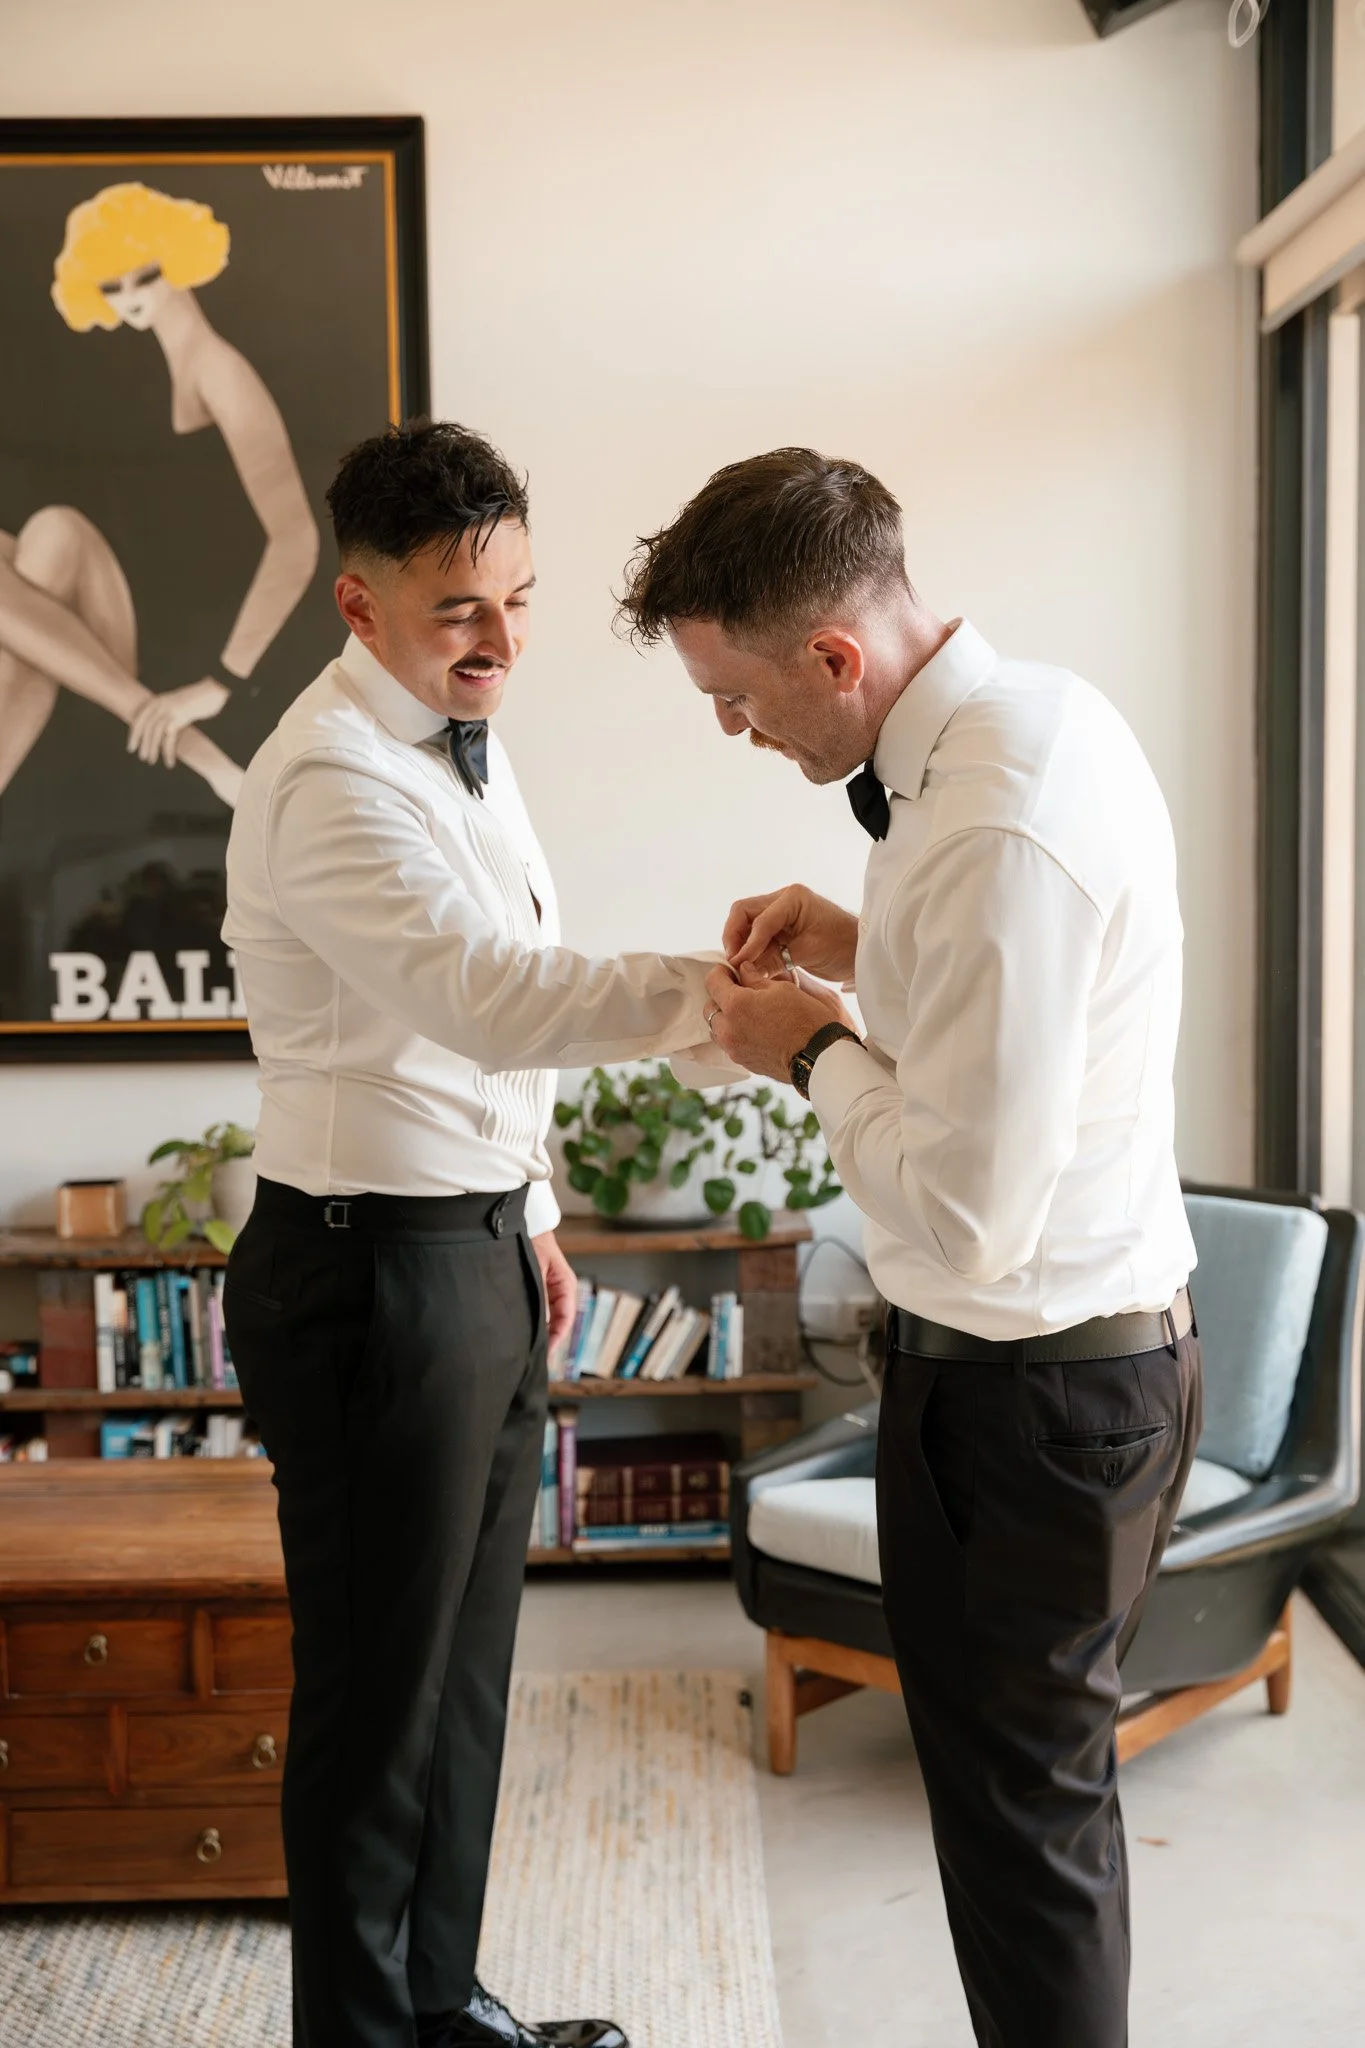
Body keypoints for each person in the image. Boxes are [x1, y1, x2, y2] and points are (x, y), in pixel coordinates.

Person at [618, 446, 1202, 2048]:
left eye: (737, 698)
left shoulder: (991, 821)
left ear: (833, 658)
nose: (736, 733)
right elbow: (1019, 1011)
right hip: (1070, 1375)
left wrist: (805, 1049)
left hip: (1027, 1409)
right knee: (1037, 1837)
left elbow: (964, 1205)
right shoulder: (1039, 725)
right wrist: (858, 949)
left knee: (1024, 1858)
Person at [223, 419, 717, 2048]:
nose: (503, 643)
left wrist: (542, 1213)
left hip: (476, 1249)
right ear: (358, 608)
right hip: (370, 1273)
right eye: (461, 613)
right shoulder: (323, 782)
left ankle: (441, 2007)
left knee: (465, 1686)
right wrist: (722, 1002)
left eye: (519, 600)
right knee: (376, 1709)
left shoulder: (460, 736)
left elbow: (483, 1014)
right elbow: (484, 995)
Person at [0, 182, 320, 807]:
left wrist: (220, 681)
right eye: (111, 288)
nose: (129, 300)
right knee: (47, 541)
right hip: (110, 622)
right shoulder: (141, 374)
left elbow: (297, 540)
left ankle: (194, 740)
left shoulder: (221, 371)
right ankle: (201, 756)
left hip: (183, 640)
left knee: (55, 534)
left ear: (179, 261)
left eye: (143, 277)